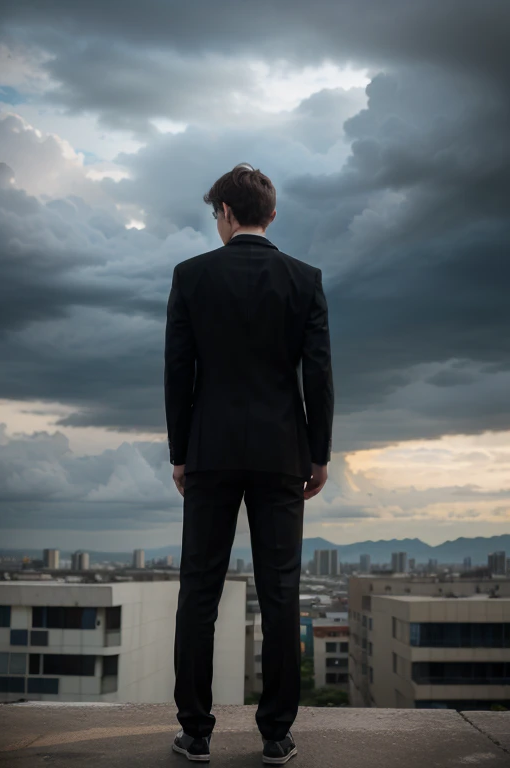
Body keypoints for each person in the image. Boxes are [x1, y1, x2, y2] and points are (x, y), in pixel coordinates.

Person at [164, 162, 334, 764]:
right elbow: (318, 374)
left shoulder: (190, 276)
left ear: (227, 214)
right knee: (282, 592)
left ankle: (196, 732)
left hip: (209, 452)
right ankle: (276, 734)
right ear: (272, 214)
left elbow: (178, 371)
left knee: (199, 592)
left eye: (216, 215)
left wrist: (180, 454)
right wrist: (318, 453)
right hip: (282, 452)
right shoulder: (304, 279)